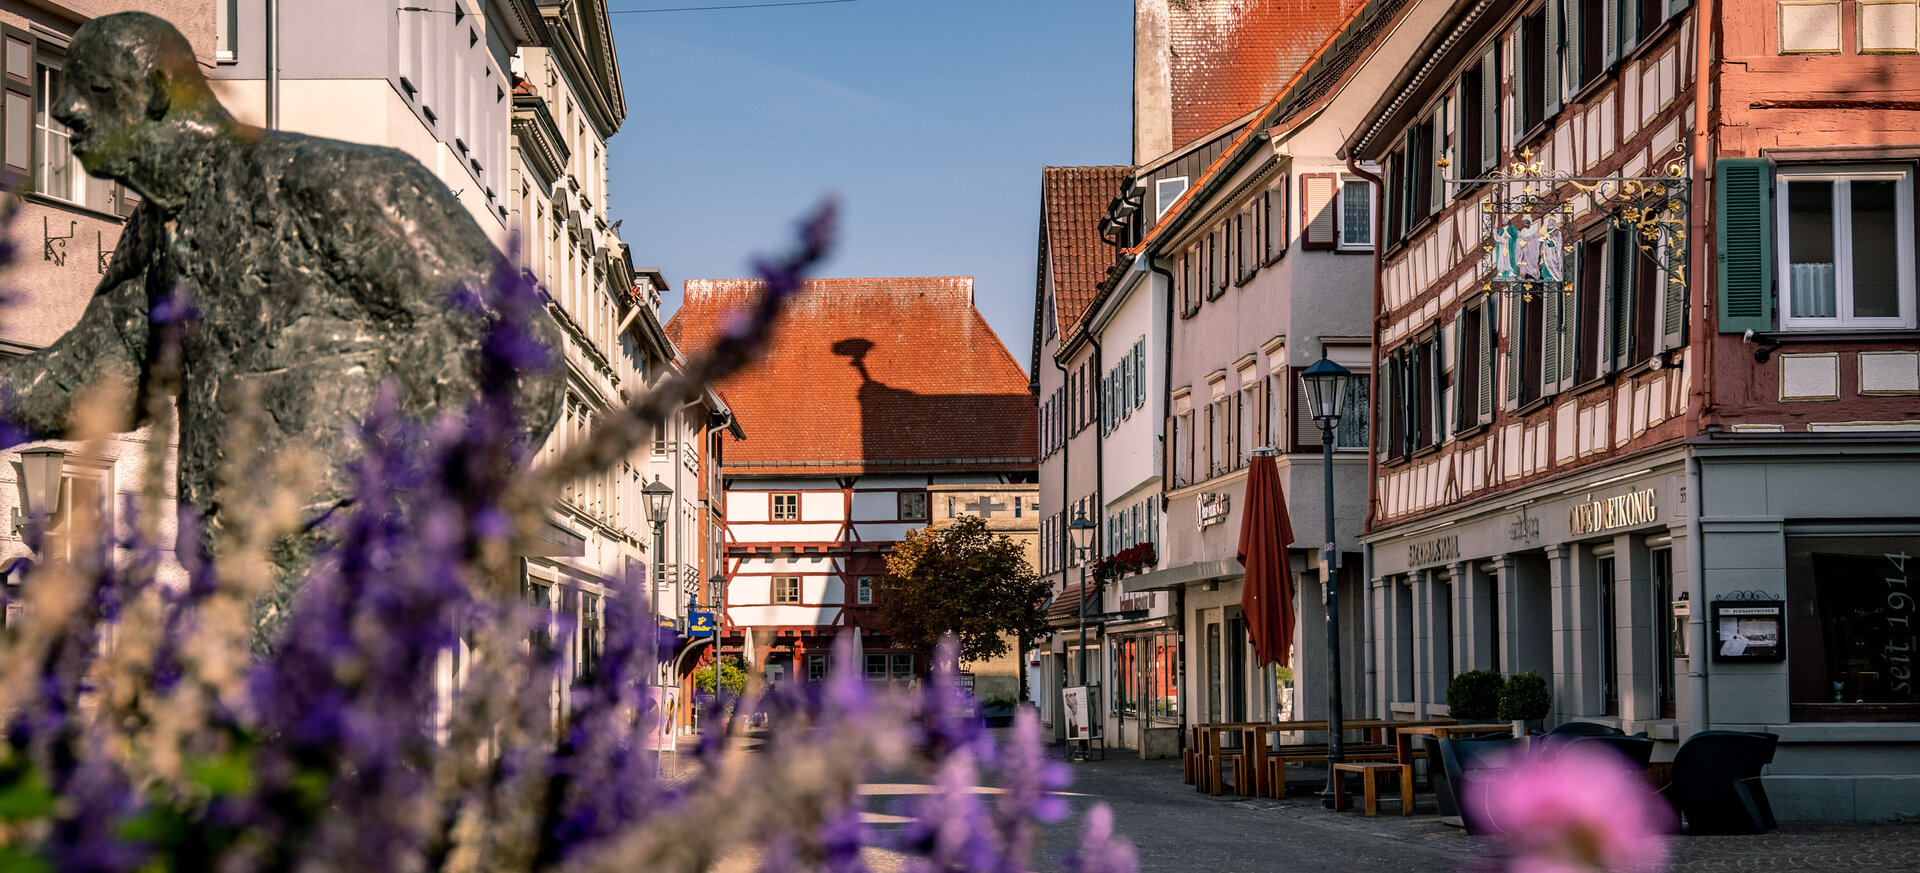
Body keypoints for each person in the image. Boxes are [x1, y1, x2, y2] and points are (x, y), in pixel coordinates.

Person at [0, 13, 562, 543]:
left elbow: (523, 350)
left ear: (156, 88)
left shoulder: (330, 184)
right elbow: (87, 381)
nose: (67, 108)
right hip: (225, 586)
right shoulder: (154, 233)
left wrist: (420, 525)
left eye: (92, 87)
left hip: (336, 584)